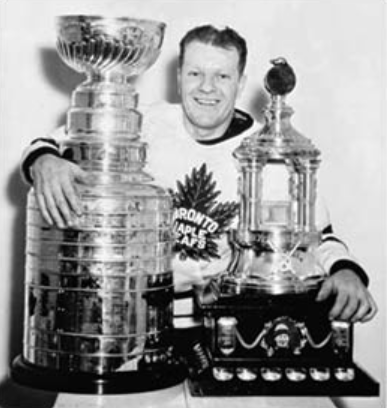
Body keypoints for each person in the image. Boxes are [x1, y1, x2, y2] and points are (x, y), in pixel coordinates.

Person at [21, 24, 377, 327]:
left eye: (222, 76)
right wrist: (44, 162)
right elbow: (48, 143)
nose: (207, 88)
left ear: (240, 83)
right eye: (195, 73)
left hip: (217, 323)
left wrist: (346, 272)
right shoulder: (143, 122)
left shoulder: (268, 153)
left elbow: (317, 240)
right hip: (125, 318)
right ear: (178, 78)